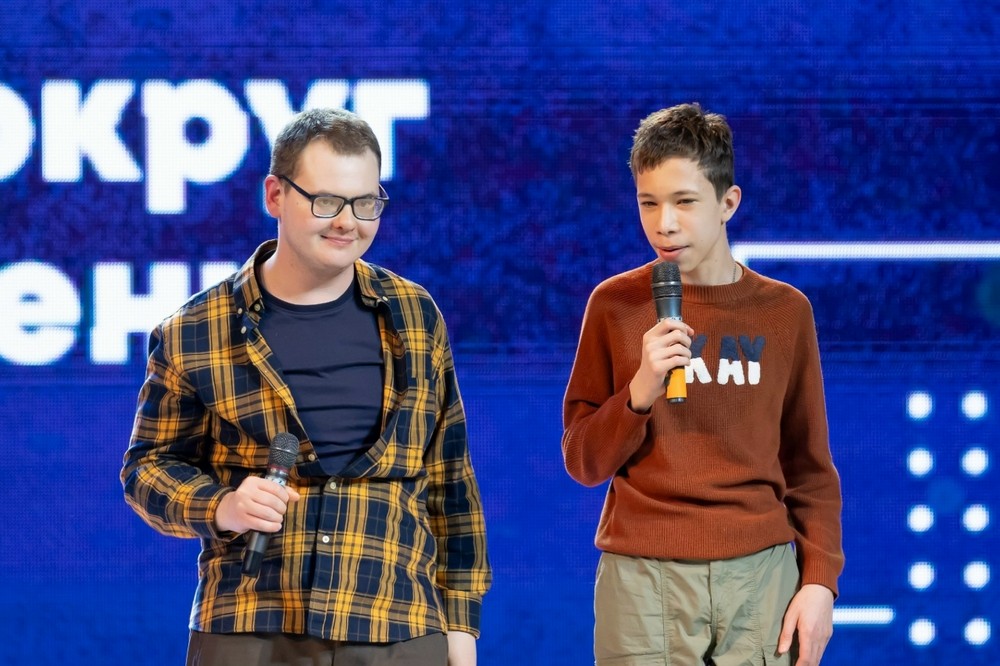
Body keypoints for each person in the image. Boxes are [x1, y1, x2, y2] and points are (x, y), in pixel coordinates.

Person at [122, 107, 491, 666]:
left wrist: (460, 629)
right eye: (326, 201)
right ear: (275, 195)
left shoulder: (415, 316)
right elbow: (147, 469)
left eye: (365, 203)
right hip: (252, 619)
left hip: (396, 619)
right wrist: (224, 505)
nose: (347, 222)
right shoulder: (193, 330)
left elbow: (450, 481)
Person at [561, 103, 844, 666]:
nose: (664, 223)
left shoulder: (785, 312)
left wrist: (819, 581)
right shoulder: (615, 305)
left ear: (728, 203)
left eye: (684, 202)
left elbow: (809, 466)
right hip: (642, 579)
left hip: (761, 577)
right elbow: (583, 461)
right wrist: (639, 392)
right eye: (648, 202)